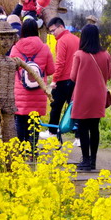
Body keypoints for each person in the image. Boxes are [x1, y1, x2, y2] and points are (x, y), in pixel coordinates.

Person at [70, 24, 111, 170]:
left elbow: (73, 77)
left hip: (82, 96)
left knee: (82, 128)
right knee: (95, 128)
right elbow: (109, 75)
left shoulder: (79, 55)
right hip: (98, 96)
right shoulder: (106, 55)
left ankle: (85, 160)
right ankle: (93, 161)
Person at [10, 18, 54, 153]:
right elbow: (51, 70)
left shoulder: (15, 48)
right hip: (38, 93)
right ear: (36, 30)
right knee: (34, 122)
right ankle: (33, 151)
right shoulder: (45, 48)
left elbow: (11, 69)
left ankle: (20, 151)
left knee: (20, 120)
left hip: (20, 91)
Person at [47, 16, 80, 139]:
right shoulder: (77, 39)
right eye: (50, 31)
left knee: (56, 107)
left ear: (61, 26)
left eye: (53, 30)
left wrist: (54, 79)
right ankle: (78, 136)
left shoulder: (62, 41)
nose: (52, 33)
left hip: (62, 79)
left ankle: (52, 131)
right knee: (75, 108)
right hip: (76, 79)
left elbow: (60, 63)